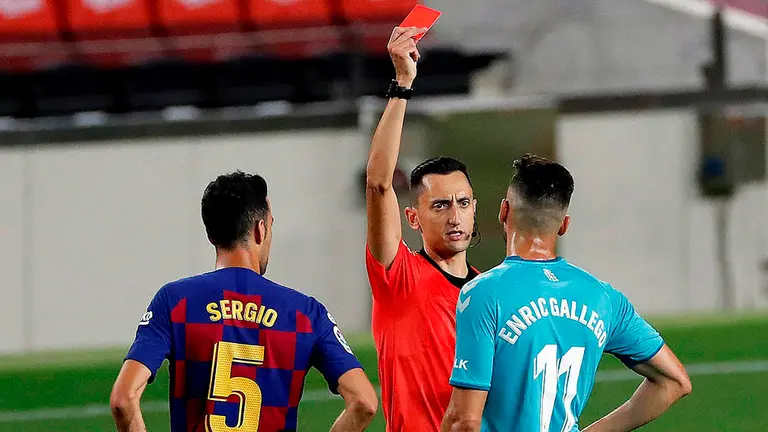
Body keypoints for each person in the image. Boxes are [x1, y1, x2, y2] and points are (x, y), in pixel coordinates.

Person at [110, 171, 377, 432]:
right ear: (260, 229)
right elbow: (364, 402)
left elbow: (123, 399)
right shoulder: (305, 313)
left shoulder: (174, 302)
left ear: (211, 234)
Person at [442, 154, 692, 432]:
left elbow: (463, 421)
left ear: (503, 211)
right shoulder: (603, 297)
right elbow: (674, 381)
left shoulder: (483, 293)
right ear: (564, 225)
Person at [365, 26, 480, 432]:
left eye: (463, 203)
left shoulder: (490, 291)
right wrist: (402, 86)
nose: (454, 216)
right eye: (440, 205)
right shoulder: (398, 276)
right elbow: (379, 184)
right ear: (413, 218)